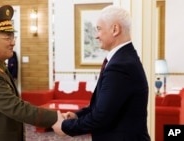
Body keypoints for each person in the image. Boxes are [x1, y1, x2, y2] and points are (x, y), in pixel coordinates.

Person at [52, 5, 151, 141]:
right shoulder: (122, 59)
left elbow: (101, 116)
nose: (96, 36)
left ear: (115, 29)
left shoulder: (120, 65)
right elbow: (100, 106)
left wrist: (65, 127)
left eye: (99, 29)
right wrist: (77, 116)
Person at [0, 5, 62, 141]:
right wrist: (55, 118)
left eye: (13, 37)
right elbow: (15, 107)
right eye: (8, 38)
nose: (13, 43)